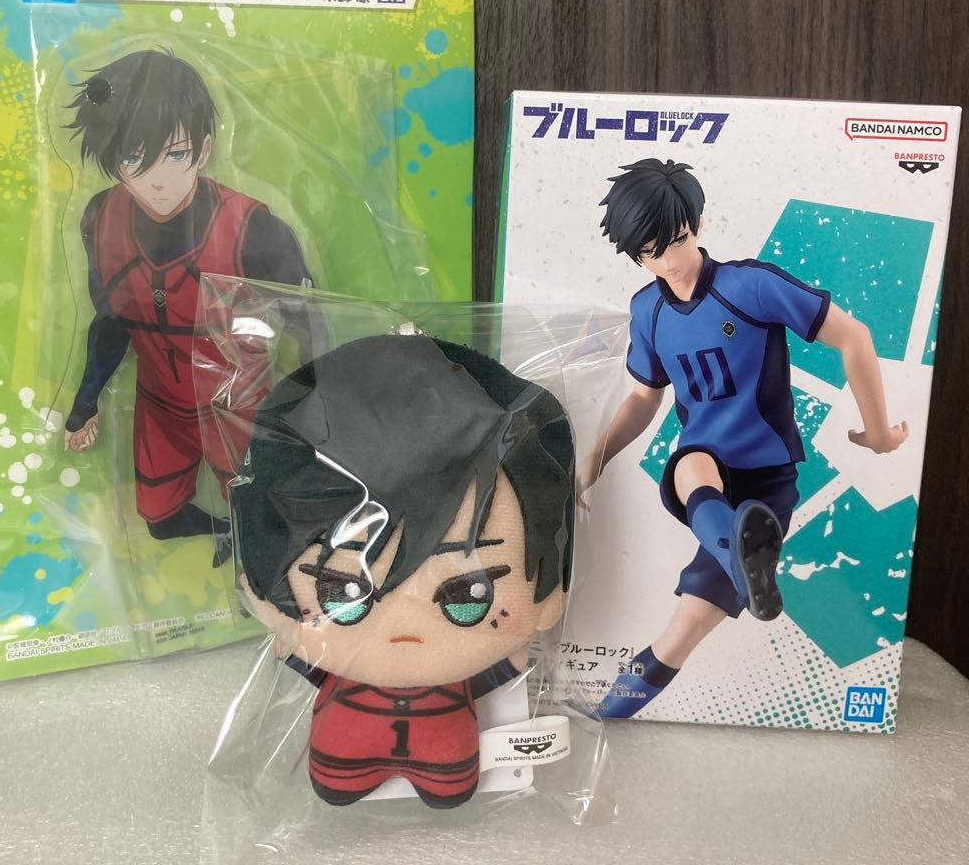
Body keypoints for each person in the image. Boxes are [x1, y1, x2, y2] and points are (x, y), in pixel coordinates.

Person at [581, 158, 907, 718]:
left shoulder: (750, 285)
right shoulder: (648, 311)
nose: (668, 260)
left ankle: (607, 713)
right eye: (650, 252)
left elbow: (854, 336)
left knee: (681, 632)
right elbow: (643, 397)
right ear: (636, 256)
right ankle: (740, 555)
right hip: (704, 467)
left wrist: (877, 431)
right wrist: (595, 459)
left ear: (698, 224)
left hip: (768, 479)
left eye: (676, 240)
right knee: (692, 464)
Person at [232, 332, 575, 808]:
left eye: (468, 596)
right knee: (338, 781)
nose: (405, 627)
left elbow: (495, 670)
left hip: (447, 748)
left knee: (448, 786)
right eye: (341, 594)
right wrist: (290, 637)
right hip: (344, 744)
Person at [62, 49, 312, 567]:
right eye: (134, 159)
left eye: (175, 154)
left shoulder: (255, 230)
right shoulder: (102, 219)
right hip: (160, 402)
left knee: (264, 513)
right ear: (114, 159)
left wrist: (316, 408)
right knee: (158, 519)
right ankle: (225, 532)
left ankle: (261, 555)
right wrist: (85, 402)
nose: (157, 180)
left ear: (203, 150)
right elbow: (111, 322)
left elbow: (310, 323)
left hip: (239, 402)